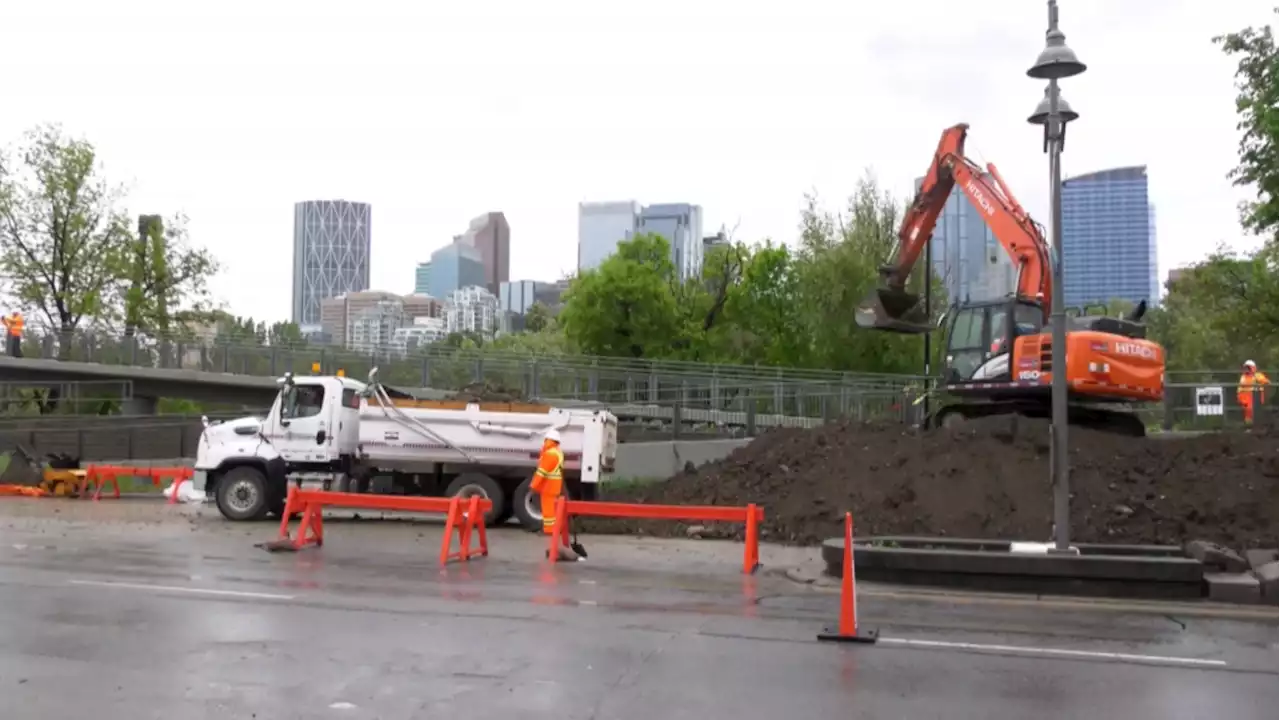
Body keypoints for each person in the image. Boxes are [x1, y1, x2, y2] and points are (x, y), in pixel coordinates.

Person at [531, 428, 582, 562]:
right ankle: (554, 535)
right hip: (555, 488)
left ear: (548, 440)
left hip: (547, 488)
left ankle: (551, 536)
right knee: (554, 515)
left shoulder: (549, 454)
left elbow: (541, 473)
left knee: (549, 516)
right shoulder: (558, 453)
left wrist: (533, 487)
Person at [1236, 360, 1270, 425]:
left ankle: (1256, 427)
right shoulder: (1243, 377)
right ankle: (1249, 427)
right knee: (1247, 416)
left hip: (1255, 399)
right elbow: (1240, 388)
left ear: (1252, 368)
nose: (1246, 369)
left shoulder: (1257, 375)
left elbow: (1266, 382)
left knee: (1255, 414)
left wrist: (1260, 383)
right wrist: (1239, 397)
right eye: (1245, 368)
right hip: (1245, 400)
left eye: (1248, 367)